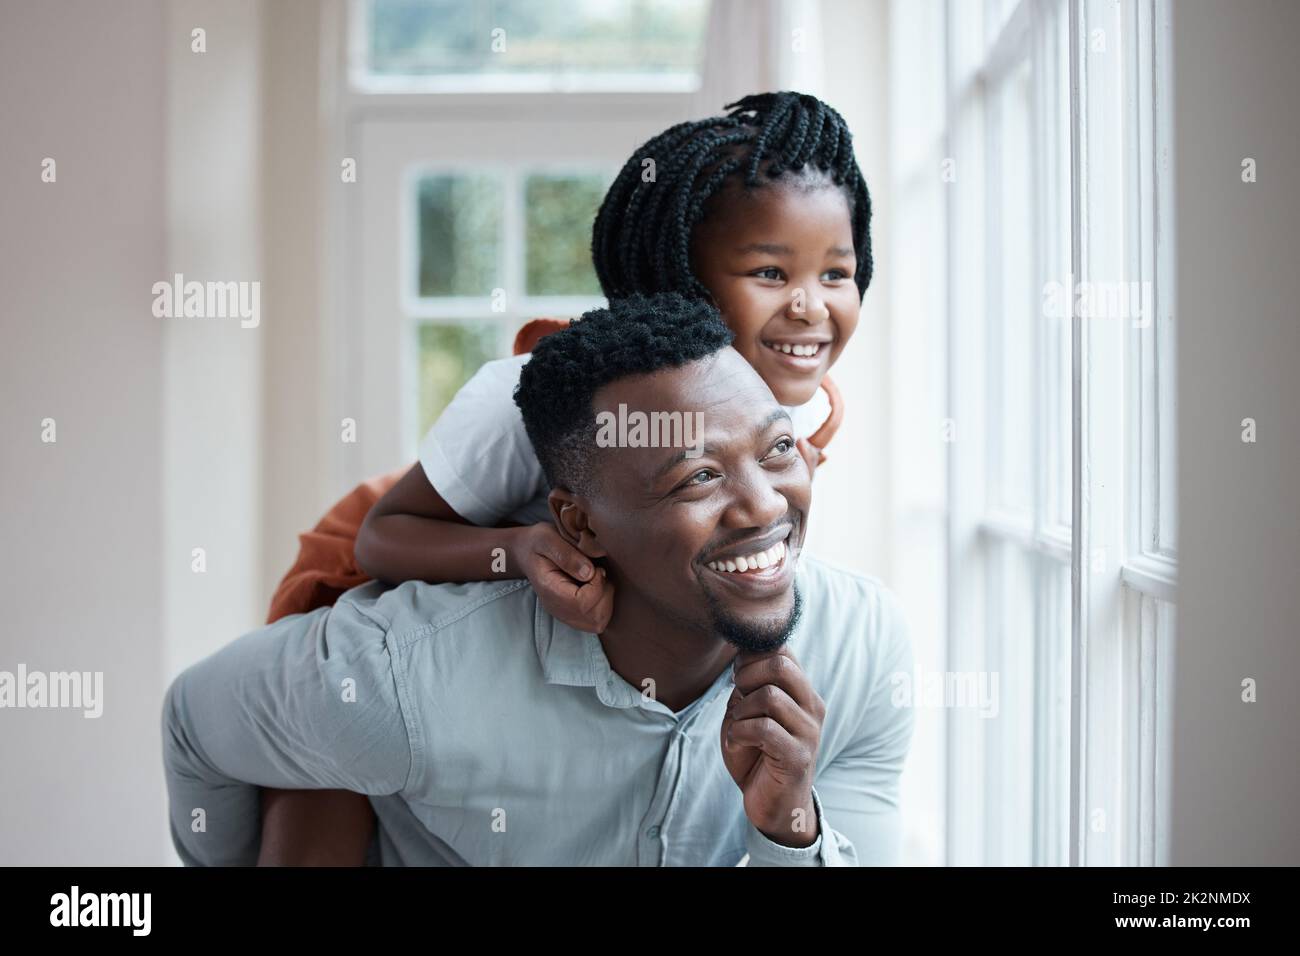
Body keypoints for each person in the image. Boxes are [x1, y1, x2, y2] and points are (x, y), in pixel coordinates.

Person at [163, 295, 913, 866]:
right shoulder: (406, 678)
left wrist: (791, 831)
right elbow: (195, 723)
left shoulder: (862, 645)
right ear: (580, 528)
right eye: (700, 477)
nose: (763, 506)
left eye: (779, 447)